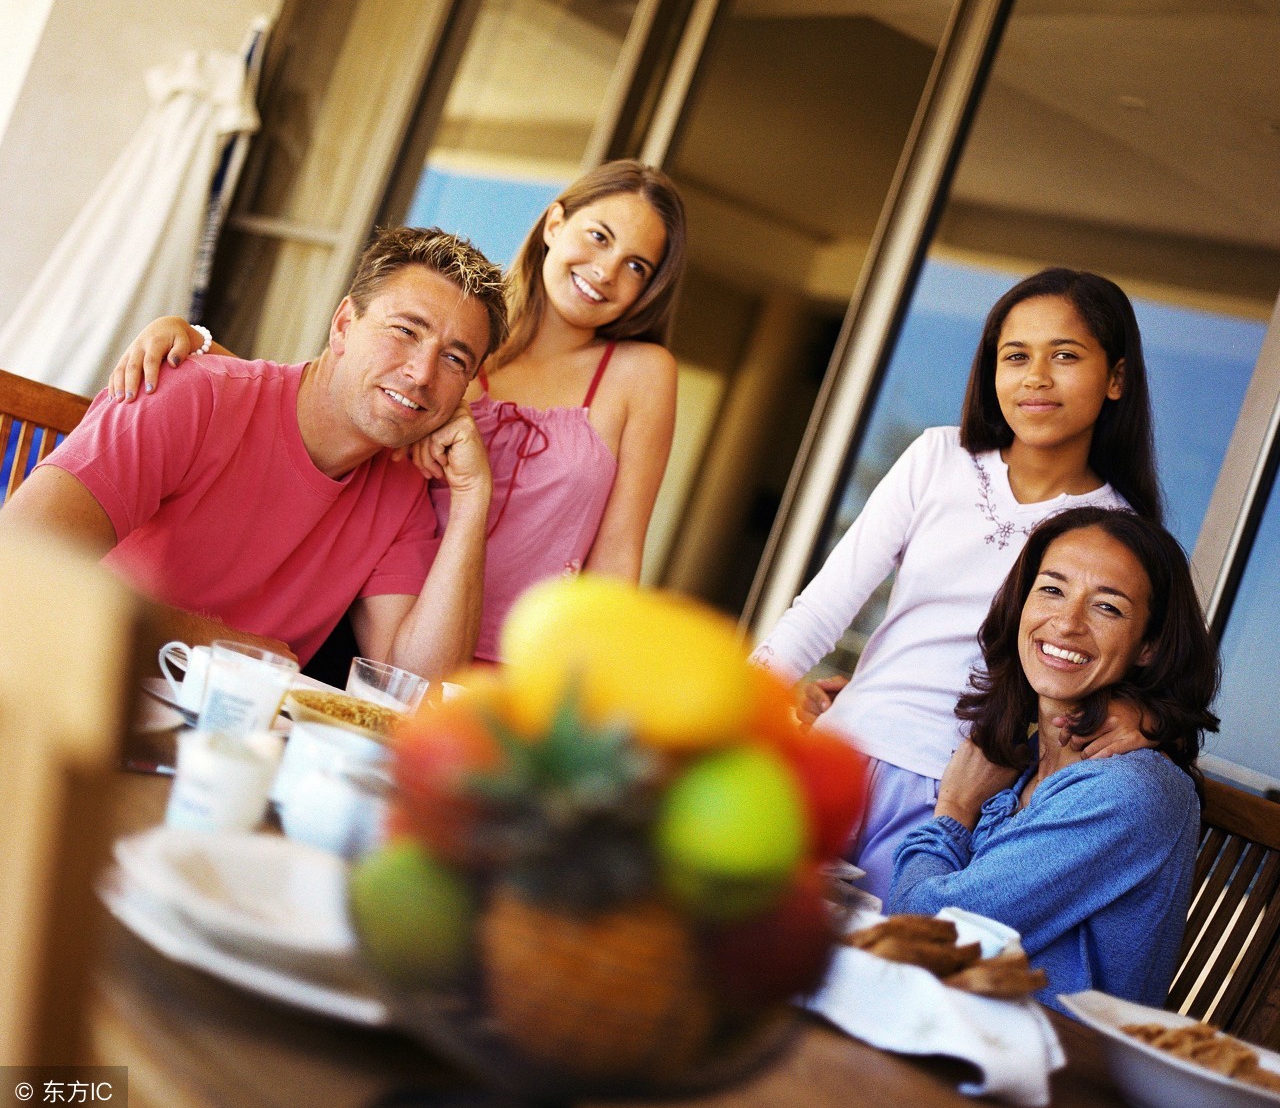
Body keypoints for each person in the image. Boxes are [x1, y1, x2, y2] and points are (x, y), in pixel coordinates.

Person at [109, 160, 686, 663]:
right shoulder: (457, 343)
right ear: (555, 224)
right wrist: (191, 337)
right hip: (387, 628)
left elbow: (618, 555)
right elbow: (331, 393)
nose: (607, 270)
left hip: (524, 664)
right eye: (599, 236)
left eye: (638, 266)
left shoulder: (640, 375)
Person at [753, 268, 1162, 900]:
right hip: (837, 753)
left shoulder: (1117, 531)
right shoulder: (936, 458)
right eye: (1015, 356)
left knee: (880, 966)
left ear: (1116, 378)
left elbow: (1125, 663)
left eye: (1065, 356)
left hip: (955, 793)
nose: (1036, 377)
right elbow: (824, 608)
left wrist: (1143, 714)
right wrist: (743, 703)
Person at [1, 227, 509, 681]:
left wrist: (471, 496)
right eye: (405, 330)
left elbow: (415, 686)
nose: (422, 373)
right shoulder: (193, 395)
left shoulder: (402, 489)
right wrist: (235, 646)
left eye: (453, 358)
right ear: (343, 325)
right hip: (63, 691)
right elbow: (16, 562)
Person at [888, 506, 1219, 1007]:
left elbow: (924, 936)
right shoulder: (1021, 769)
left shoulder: (1127, 791)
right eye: (1052, 589)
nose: (1066, 623)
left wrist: (953, 811)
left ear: (1148, 646)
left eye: (1107, 607)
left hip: (1053, 1068)